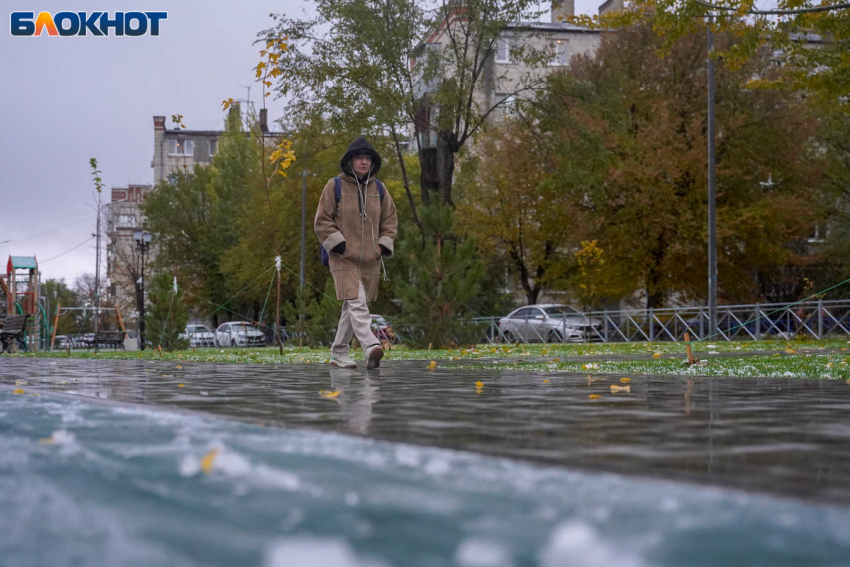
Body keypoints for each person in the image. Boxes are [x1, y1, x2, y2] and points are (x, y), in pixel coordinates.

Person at [314, 136, 397, 369]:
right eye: (359, 158)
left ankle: (339, 352)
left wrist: (382, 245)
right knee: (357, 301)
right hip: (341, 257)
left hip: (371, 259)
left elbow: (390, 220)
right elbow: (322, 221)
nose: (363, 162)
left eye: (367, 158)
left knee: (352, 306)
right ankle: (371, 345)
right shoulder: (335, 186)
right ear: (350, 161)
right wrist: (338, 244)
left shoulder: (380, 189)